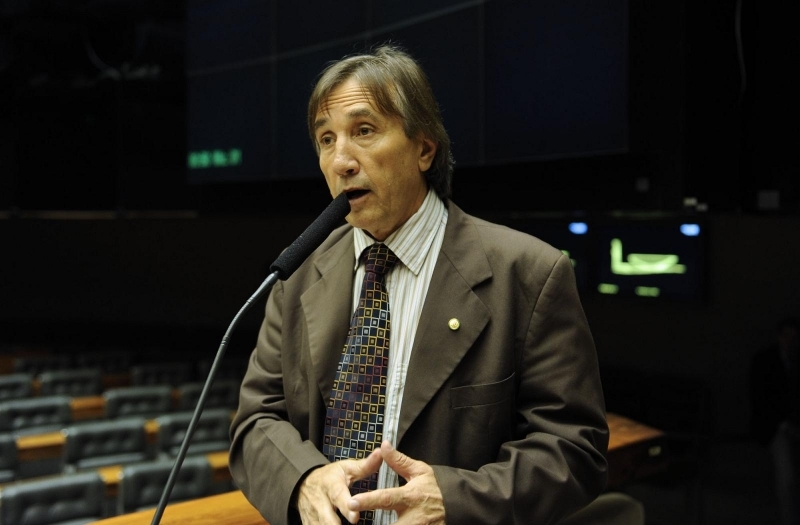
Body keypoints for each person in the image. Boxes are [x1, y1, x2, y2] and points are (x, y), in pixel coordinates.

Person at [229, 43, 609, 525]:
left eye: (364, 131)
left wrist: (458, 501)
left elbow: (574, 450)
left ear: (424, 149)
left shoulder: (529, 273)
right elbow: (255, 423)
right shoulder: (297, 274)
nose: (341, 161)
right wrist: (302, 480)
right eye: (326, 139)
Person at [749, 316, 800, 525]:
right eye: (786, 336)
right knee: (786, 477)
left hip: (792, 425)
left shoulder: (795, 361)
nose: (790, 341)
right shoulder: (765, 360)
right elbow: (761, 398)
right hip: (774, 427)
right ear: (779, 336)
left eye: (794, 337)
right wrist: (784, 425)